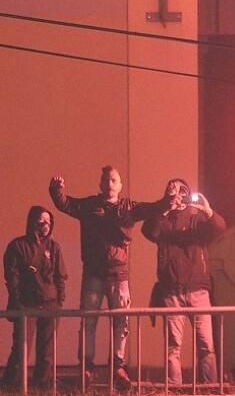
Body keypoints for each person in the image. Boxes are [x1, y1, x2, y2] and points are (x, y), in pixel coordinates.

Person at [48, 166, 171, 389]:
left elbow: (153, 208)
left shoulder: (128, 207)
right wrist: (56, 191)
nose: (109, 184)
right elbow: (66, 204)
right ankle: (86, 368)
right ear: (100, 183)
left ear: (120, 185)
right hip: (93, 274)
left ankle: (118, 367)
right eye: (106, 180)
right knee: (88, 322)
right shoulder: (90, 206)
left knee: (121, 323)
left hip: (119, 275)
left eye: (114, 180)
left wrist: (169, 199)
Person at [141, 179, 226, 385]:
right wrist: (164, 208)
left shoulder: (197, 218)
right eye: (173, 190)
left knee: (206, 345)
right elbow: (148, 231)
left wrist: (209, 211)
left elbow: (220, 228)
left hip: (198, 289)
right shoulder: (163, 218)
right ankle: (175, 388)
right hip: (171, 290)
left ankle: (210, 388)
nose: (179, 195)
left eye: (183, 191)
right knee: (173, 346)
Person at [2, 206, 67, 389]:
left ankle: (42, 385)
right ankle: (11, 384)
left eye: (49, 221)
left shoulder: (54, 247)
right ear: (32, 221)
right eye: (41, 220)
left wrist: (59, 301)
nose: (46, 224)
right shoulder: (18, 246)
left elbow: (60, 276)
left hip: (50, 305)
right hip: (26, 305)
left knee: (46, 350)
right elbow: (12, 277)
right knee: (21, 348)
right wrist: (17, 301)